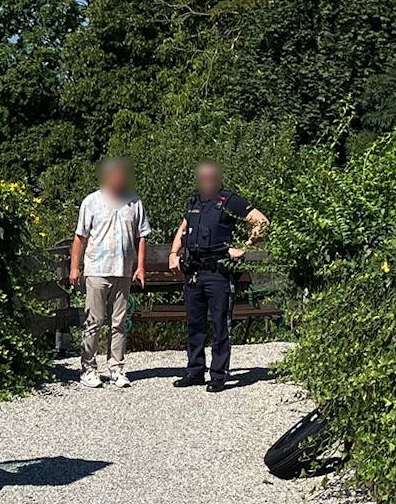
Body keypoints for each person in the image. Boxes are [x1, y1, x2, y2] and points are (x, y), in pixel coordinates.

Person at [168, 160, 269, 392]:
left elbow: (262, 223)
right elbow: (183, 229)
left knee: (220, 325)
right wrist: (174, 253)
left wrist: (245, 247)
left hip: (218, 272)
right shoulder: (195, 201)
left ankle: (218, 375)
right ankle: (195, 370)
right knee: (194, 324)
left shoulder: (229, 200)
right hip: (193, 271)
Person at [70, 158, 151, 388]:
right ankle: (88, 367)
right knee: (93, 321)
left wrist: (140, 266)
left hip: (123, 271)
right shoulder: (91, 202)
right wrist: (75, 267)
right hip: (97, 269)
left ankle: (116, 367)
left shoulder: (134, 202)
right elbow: (80, 237)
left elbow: (142, 236)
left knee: (119, 322)